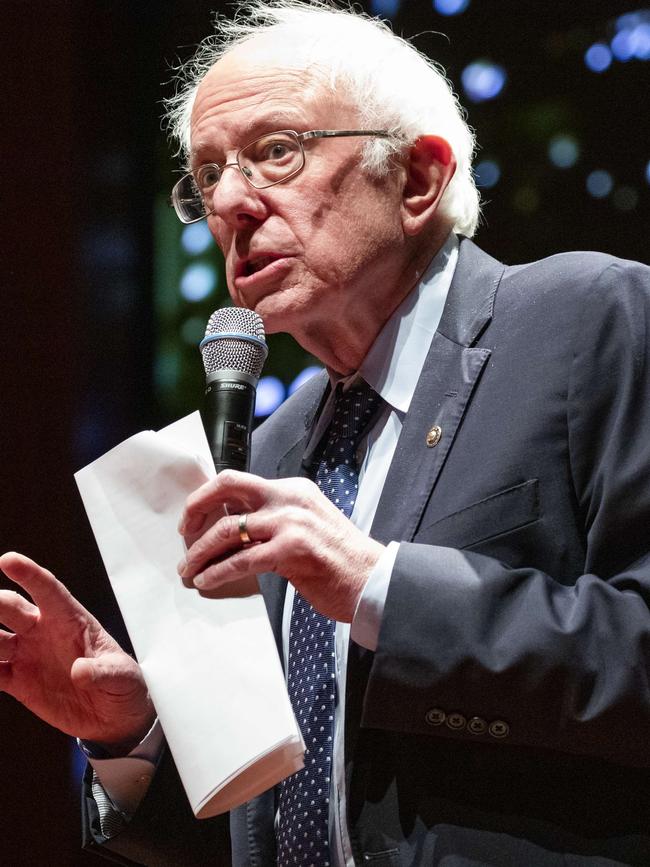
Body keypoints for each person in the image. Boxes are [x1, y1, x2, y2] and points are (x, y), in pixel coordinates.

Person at [2, 1, 650, 864]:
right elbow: (268, 821)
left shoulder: (586, 318)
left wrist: (381, 587)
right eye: (206, 176)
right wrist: (139, 736)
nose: (230, 201)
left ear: (417, 180)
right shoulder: (276, 450)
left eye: (276, 151)